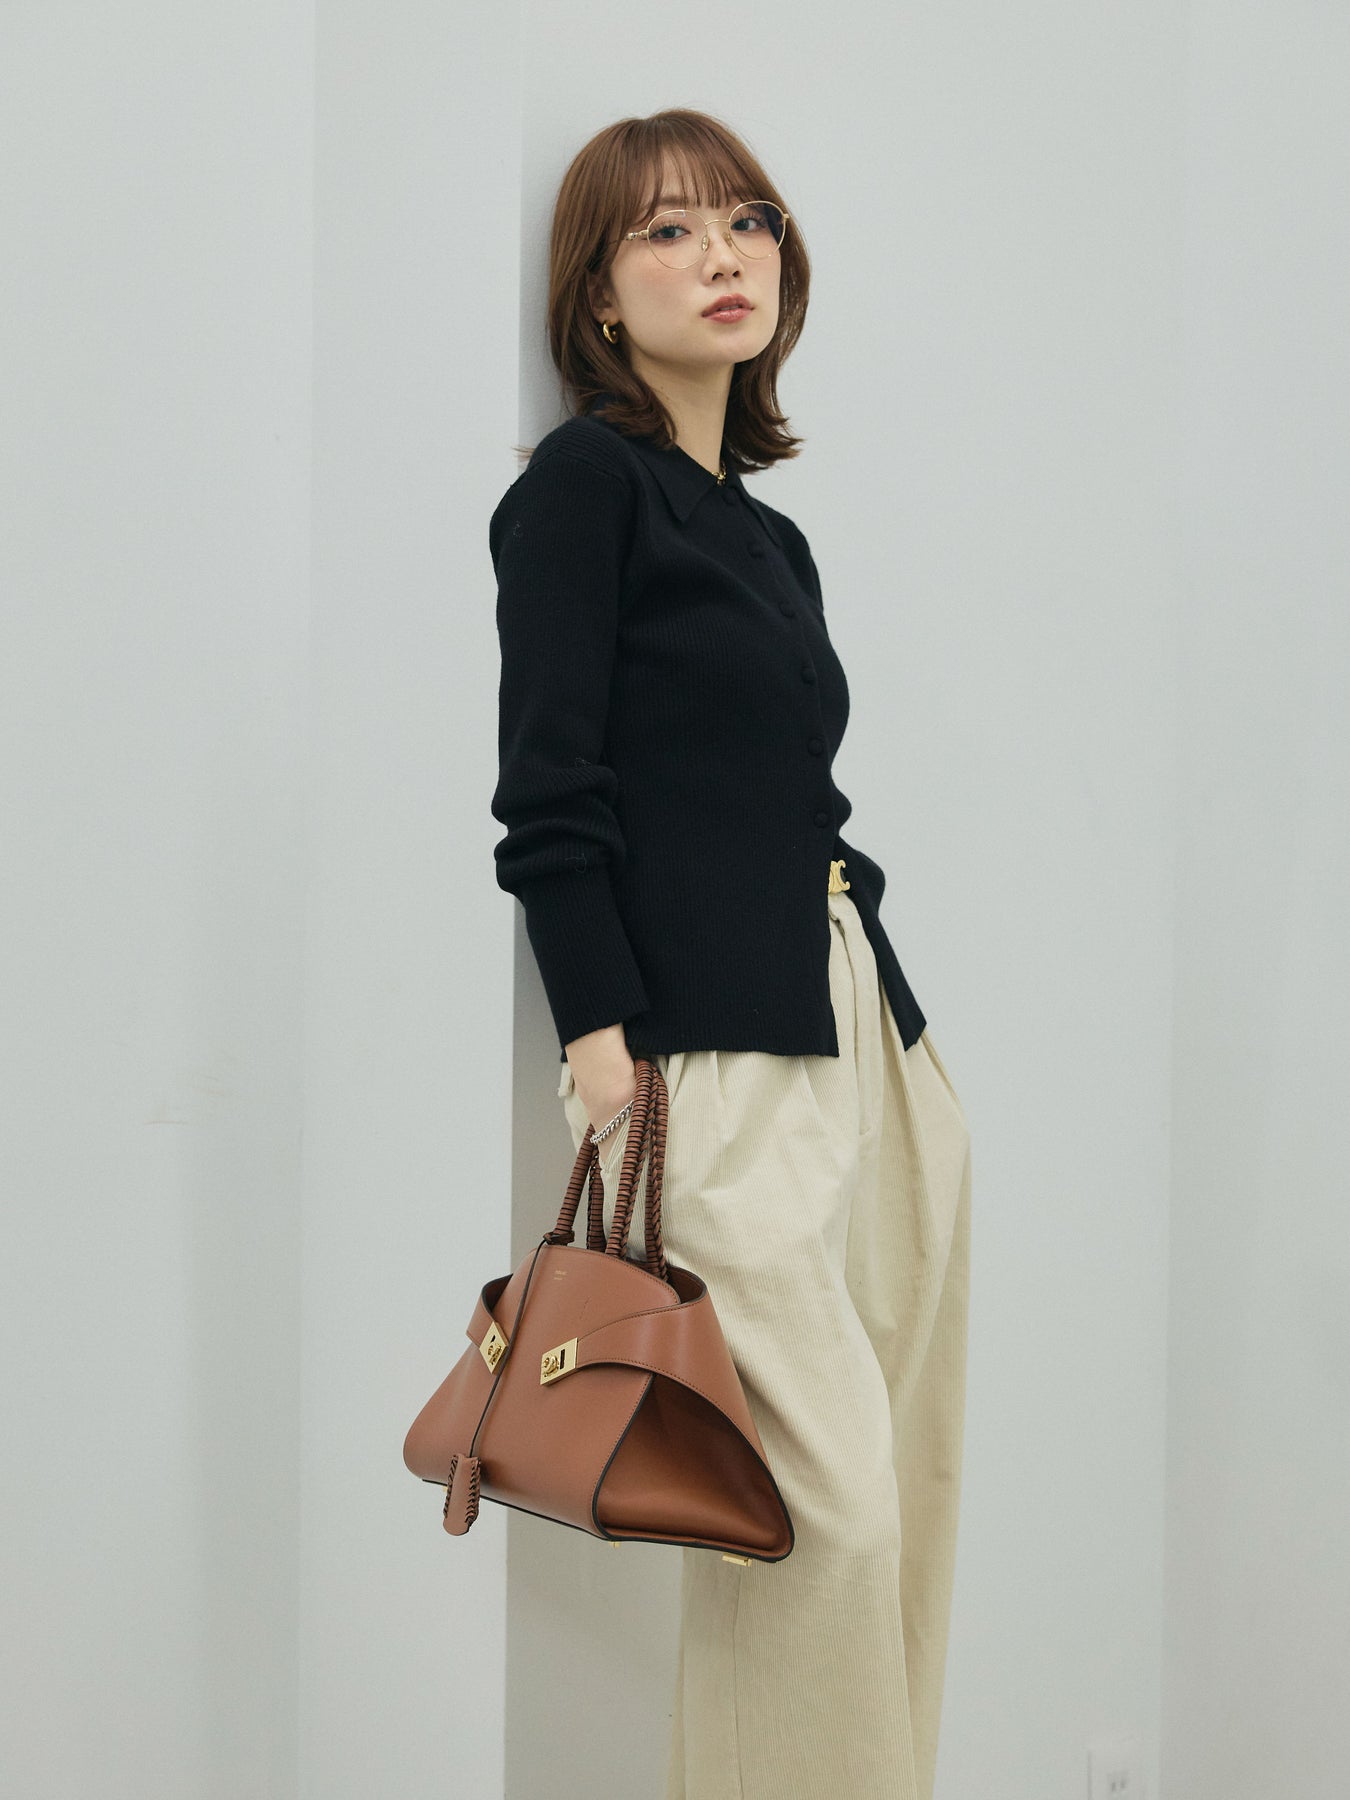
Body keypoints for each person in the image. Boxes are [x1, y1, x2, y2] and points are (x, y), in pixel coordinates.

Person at [489, 106, 973, 1800]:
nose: (723, 257)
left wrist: (902, 1047)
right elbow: (548, 796)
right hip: (710, 1049)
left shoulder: (768, 536)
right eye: (669, 231)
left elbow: (788, 796)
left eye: (747, 222)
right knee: (819, 1515)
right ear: (598, 295)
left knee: (902, 1482)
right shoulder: (581, 490)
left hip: (857, 1022)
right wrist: (600, 1043)